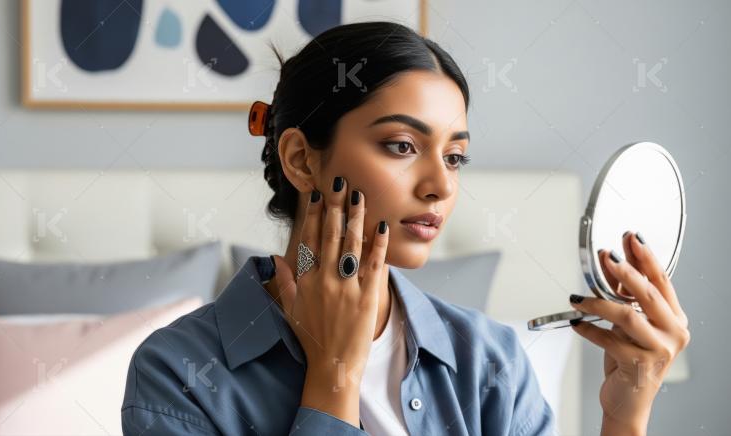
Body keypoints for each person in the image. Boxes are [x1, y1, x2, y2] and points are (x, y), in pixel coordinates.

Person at [121, 21, 690, 436]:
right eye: (401, 146)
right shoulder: (178, 373)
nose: (440, 185)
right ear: (300, 159)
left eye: (455, 157)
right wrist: (335, 377)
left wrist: (623, 416)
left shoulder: (491, 361)